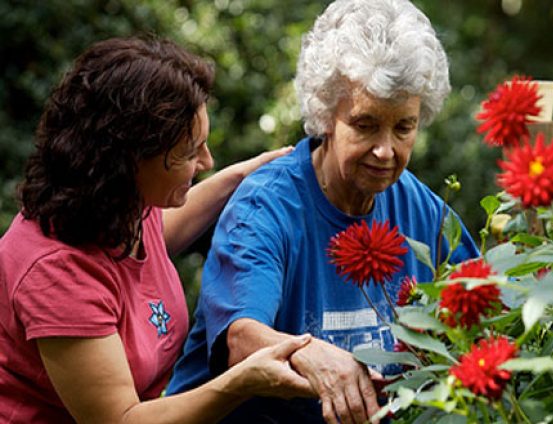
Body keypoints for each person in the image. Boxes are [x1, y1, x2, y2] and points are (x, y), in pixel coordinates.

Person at [166, 0, 480, 423]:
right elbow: (240, 339)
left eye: (404, 127)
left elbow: (485, 306)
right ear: (326, 114)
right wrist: (309, 353)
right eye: (365, 124)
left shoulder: (421, 209)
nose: (386, 150)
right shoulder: (266, 208)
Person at [0, 36, 316, 423]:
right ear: (129, 158)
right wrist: (239, 383)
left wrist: (247, 174)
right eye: (188, 152)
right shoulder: (57, 272)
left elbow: (158, 234)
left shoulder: (122, 208)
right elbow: (122, 419)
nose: (207, 161)